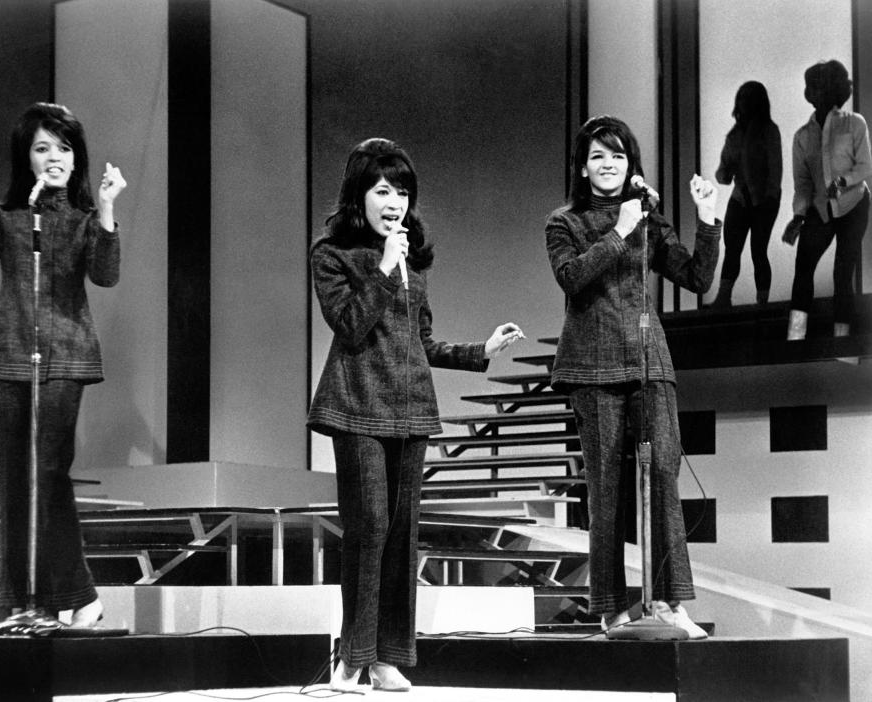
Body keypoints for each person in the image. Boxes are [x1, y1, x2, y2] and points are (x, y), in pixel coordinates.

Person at [308, 138, 524, 691]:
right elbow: (351, 325)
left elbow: (420, 342)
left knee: (402, 534)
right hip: (357, 407)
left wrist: (481, 350)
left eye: (402, 192)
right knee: (369, 528)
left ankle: (386, 657)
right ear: (360, 194)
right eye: (383, 190)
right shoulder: (332, 255)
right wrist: (382, 268)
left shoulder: (413, 264)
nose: (394, 202)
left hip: (411, 412)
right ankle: (350, 658)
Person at [0, 102, 127, 628]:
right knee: (15, 481)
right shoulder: (9, 216)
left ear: (76, 158)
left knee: (48, 473)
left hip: (67, 356)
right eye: (42, 148)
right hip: (7, 356)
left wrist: (106, 208)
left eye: (63, 147)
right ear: (27, 159)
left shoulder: (84, 219)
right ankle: (20, 604)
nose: (53, 156)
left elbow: (105, 276)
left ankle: (77, 596)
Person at [545, 115, 721, 639]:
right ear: (582, 167)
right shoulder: (565, 222)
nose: (609, 165)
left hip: (648, 361)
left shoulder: (647, 215)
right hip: (592, 367)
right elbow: (573, 279)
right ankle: (610, 606)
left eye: (618, 156)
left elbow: (696, 277)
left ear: (631, 165)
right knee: (605, 488)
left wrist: (707, 219)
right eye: (598, 156)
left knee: (663, 473)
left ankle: (670, 602)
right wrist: (620, 230)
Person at [782, 59, 872, 339]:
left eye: (820, 85)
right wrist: (798, 216)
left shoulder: (854, 123)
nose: (813, 91)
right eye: (810, 87)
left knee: (842, 272)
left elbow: (865, 167)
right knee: (803, 268)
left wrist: (842, 182)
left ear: (833, 89)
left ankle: (842, 341)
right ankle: (795, 339)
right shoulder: (802, 137)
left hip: (854, 204)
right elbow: (803, 184)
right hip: (821, 211)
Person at [712, 81, 782, 307]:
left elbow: (775, 170)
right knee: (733, 249)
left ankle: (761, 301)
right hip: (740, 198)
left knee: (758, 252)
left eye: (747, 99)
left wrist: (768, 198)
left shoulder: (768, 131)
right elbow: (722, 174)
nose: (742, 103)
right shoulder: (734, 135)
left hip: (763, 200)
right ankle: (724, 297)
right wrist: (728, 170)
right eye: (741, 98)